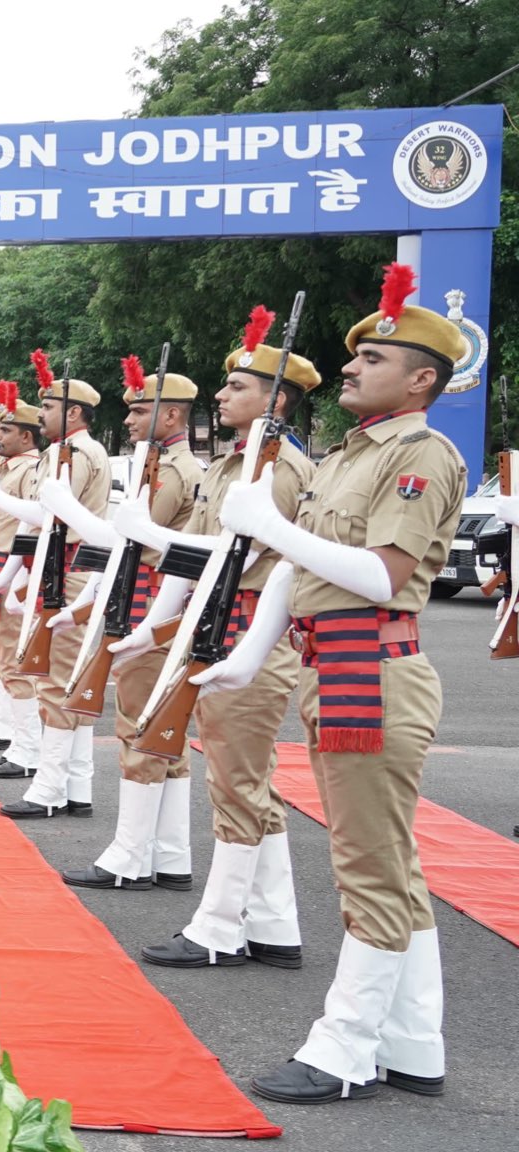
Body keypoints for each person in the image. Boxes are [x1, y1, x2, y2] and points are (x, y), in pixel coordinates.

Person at [206, 264, 465, 1105]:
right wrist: (252, 649)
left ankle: (348, 1045)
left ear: (421, 380)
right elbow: (297, 570)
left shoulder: (423, 454)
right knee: (389, 864)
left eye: (375, 358)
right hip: (336, 662)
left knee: (369, 871)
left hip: (375, 670)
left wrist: (273, 524)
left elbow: (381, 575)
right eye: (357, 357)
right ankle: (414, 1042)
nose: (351, 366)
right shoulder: (354, 454)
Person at [103, 321, 319, 972]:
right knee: (243, 783)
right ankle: (274, 925)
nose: (222, 396)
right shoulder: (233, 463)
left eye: (238, 386)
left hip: (253, 629)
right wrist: (153, 627)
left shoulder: (280, 468)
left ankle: (222, 926)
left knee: (238, 785)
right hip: (218, 624)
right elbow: (203, 557)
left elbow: (244, 553)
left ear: (277, 400)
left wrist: (150, 533)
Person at [49, 362, 205, 889]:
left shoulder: (174, 472)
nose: (131, 418)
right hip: (152, 605)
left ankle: (129, 857)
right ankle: (170, 854)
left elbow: (133, 543)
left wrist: (68, 507)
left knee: (140, 731)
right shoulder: (160, 464)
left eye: (142, 409)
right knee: (165, 737)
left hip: (154, 609)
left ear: (174, 415)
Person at [0, 368, 111, 819]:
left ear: (74, 412)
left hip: (71, 568)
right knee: (61, 680)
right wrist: (11, 577)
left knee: (57, 682)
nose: (42, 416)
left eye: (51, 407)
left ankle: (51, 787)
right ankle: (76, 784)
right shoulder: (66, 450)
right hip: (59, 564)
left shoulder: (77, 451)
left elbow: (45, 513)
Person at [0, 395, 48, 775]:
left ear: (28, 436)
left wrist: (18, 579)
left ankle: (29, 749)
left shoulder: (30, 470)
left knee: (15, 664)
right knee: (3, 661)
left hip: (14, 566)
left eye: (7, 430)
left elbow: (32, 524)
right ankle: (16, 739)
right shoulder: (7, 467)